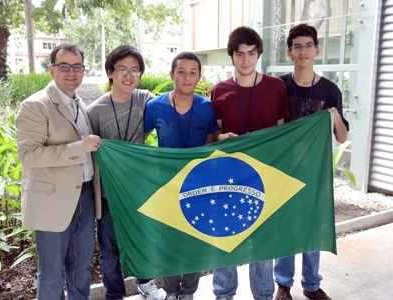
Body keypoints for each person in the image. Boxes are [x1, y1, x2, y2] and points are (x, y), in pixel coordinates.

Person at [16, 43, 102, 300]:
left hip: (85, 196)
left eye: (77, 67)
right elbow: (29, 156)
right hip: (52, 202)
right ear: (51, 69)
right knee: (52, 274)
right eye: (64, 66)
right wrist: (79, 147)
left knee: (80, 270)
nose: (71, 72)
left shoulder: (80, 104)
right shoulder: (35, 105)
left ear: (84, 71)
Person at [210, 26, 290, 300]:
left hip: (265, 176)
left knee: (262, 243)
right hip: (228, 176)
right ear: (232, 56)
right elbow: (214, 134)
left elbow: (282, 131)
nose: (245, 60)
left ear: (259, 55)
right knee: (225, 238)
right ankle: (224, 294)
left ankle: (264, 295)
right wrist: (221, 137)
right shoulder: (219, 90)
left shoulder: (276, 87)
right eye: (240, 54)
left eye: (251, 54)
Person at [273, 23, 348, 300]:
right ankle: (283, 283)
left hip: (315, 172)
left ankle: (311, 284)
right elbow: (272, 128)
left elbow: (342, 137)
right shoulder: (279, 86)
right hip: (282, 170)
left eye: (308, 45)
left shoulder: (330, 90)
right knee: (285, 227)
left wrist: (333, 116)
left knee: (312, 227)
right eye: (297, 46)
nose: (303, 51)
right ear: (289, 52)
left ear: (316, 49)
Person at [88, 45, 165, 300]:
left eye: (135, 70)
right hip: (109, 193)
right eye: (122, 69)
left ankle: (146, 283)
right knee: (110, 248)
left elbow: (171, 109)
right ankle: (114, 293)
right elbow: (91, 152)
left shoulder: (145, 100)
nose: (129, 75)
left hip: (139, 188)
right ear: (110, 72)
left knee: (143, 240)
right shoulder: (95, 111)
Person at [144, 51, 218, 300]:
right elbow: (139, 142)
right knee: (168, 242)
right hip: (166, 185)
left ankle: (188, 292)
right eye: (181, 72)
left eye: (192, 72)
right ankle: (171, 290)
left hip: (198, 185)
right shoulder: (154, 107)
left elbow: (211, 143)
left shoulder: (207, 108)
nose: (187, 77)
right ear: (171, 74)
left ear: (199, 76)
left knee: (194, 240)